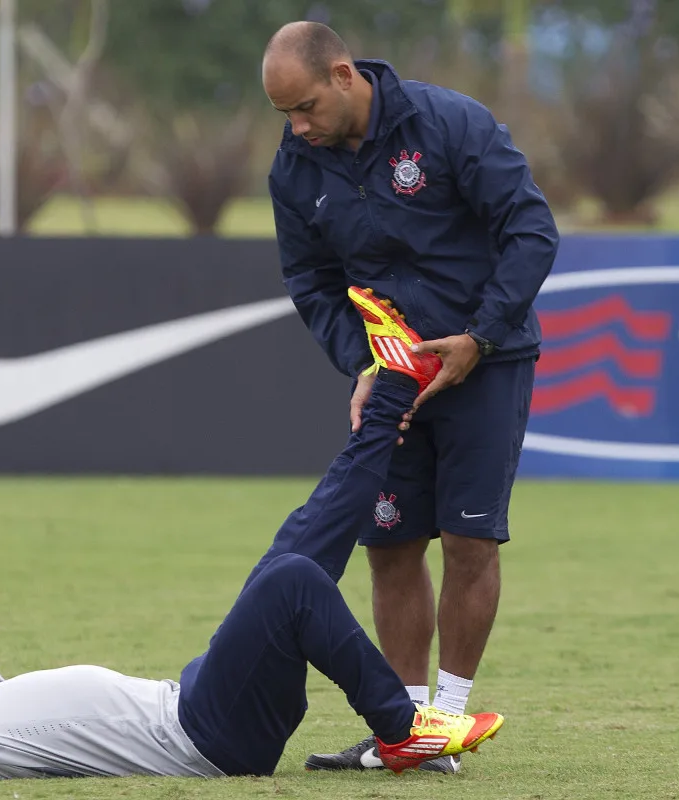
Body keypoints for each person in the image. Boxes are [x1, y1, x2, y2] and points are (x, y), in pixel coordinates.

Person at [0, 296, 505, 782]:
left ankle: (394, 384)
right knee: (292, 581)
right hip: (204, 735)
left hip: (199, 701)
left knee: (302, 541)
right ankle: (403, 730)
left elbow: (41, 729)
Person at [261, 20, 558, 773]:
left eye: (304, 108)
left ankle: (446, 722)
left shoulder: (449, 123)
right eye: (284, 115)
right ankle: (405, 731)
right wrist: (360, 360)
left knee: (469, 541)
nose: (297, 128)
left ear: (342, 75)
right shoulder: (296, 166)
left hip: (484, 364)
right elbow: (310, 282)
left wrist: (480, 337)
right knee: (389, 546)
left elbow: (531, 230)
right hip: (393, 383)